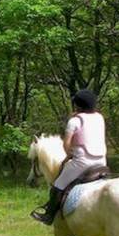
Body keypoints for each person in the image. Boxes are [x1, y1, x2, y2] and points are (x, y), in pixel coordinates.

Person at [31, 89, 107, 225]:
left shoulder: (75, 121)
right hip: (101, 162)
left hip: (82, 162)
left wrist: (69, 156)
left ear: (77, 105)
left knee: (57, 185)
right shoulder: (99, 117)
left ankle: (48, 216)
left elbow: (66, 144)